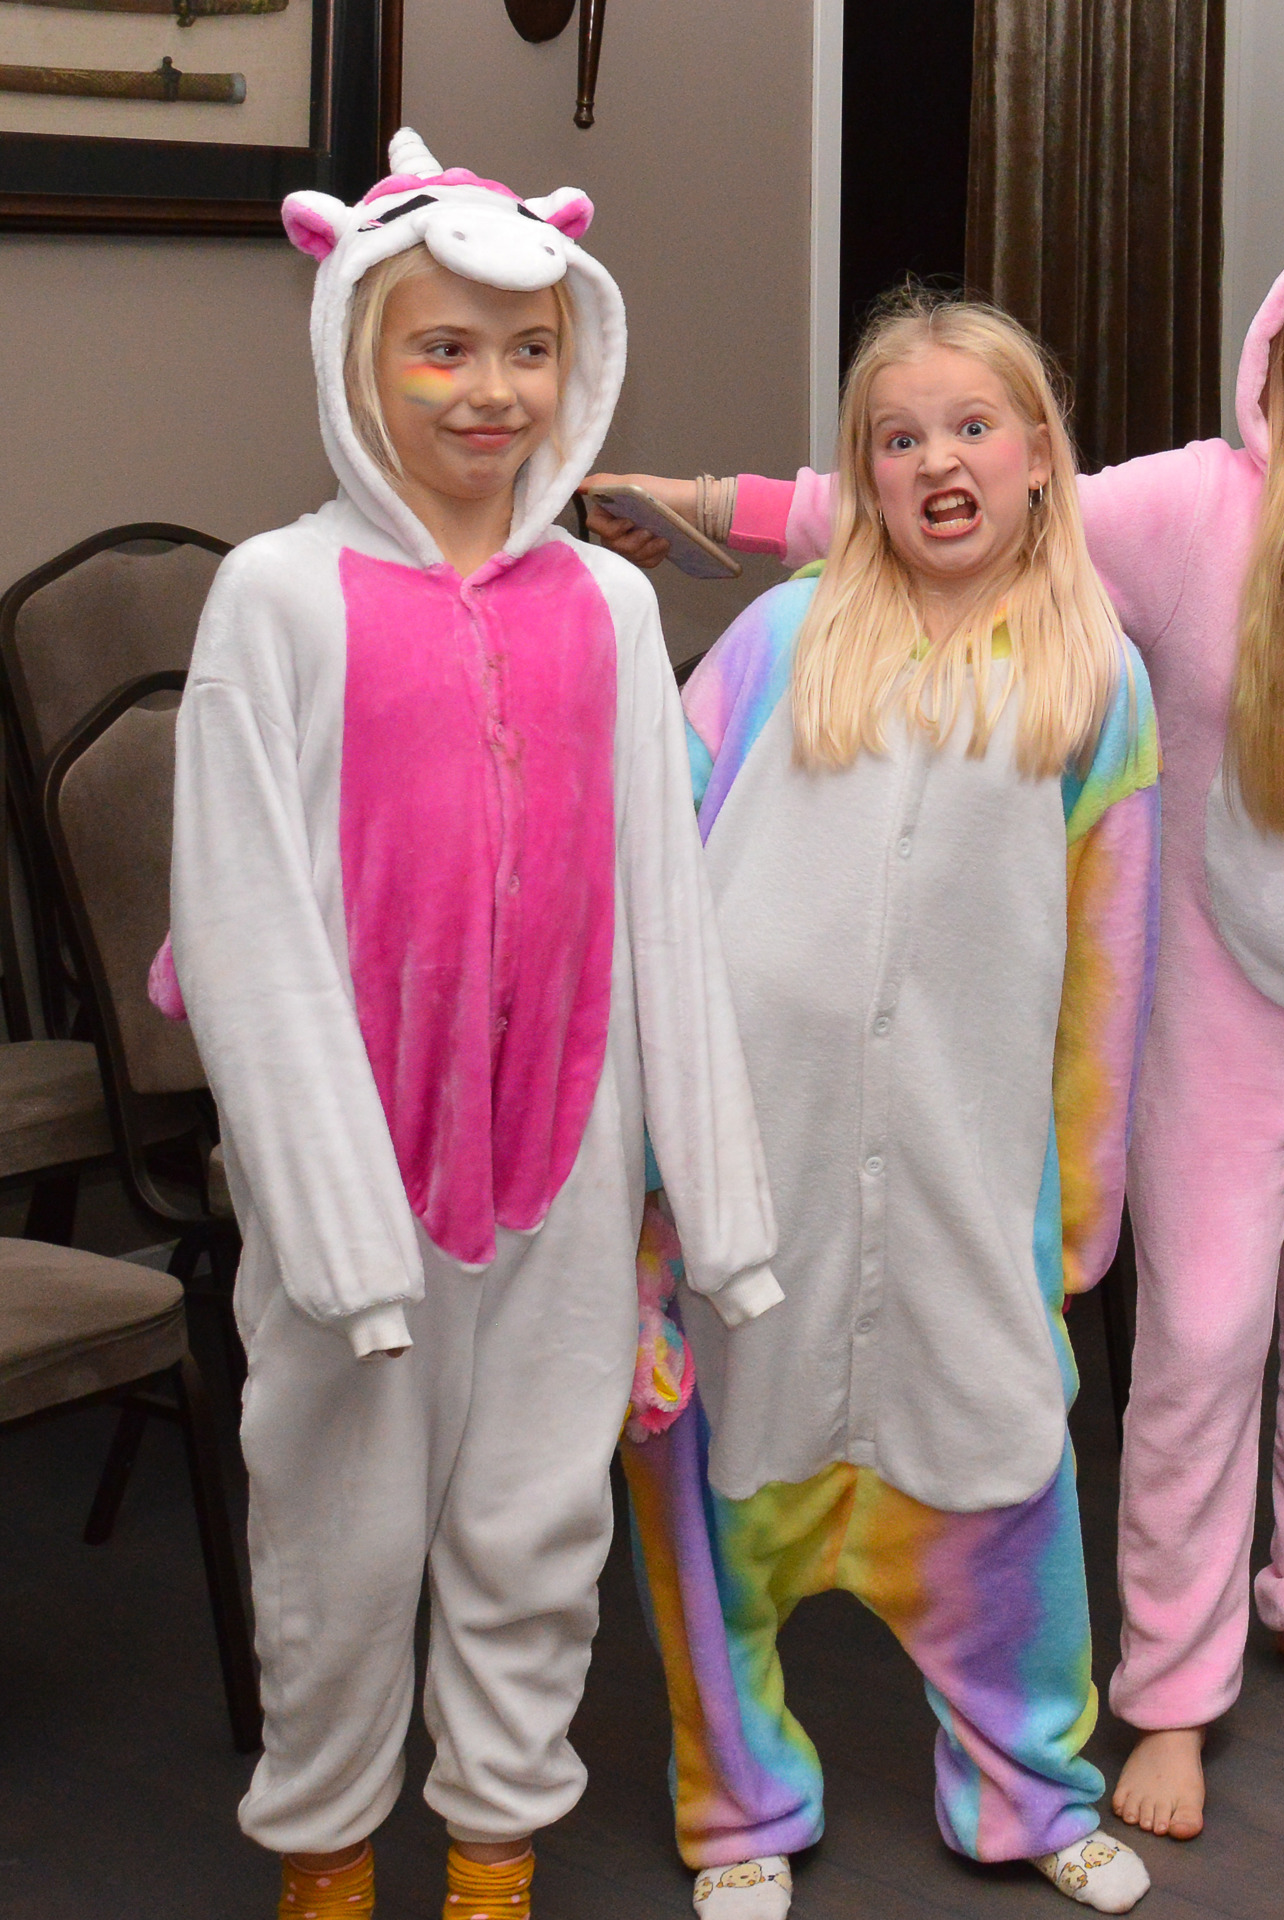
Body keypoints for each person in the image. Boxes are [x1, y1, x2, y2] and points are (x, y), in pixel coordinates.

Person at [584, 152, 1284, 1841]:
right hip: (1211, 1011)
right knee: (1202, 1342)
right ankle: (1173, 1687)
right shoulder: (1192, 512)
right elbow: (944, 489)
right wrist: (706, 502)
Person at [164, 130, 780, 1920]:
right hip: (352, 1167)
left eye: (528, 350)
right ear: (360, 355)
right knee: (339, 1542)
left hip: (566, 1162)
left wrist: (719, 1206)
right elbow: (245, 921)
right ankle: (331, 1861)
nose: (492, 390)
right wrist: (333, 1228)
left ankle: (495, 1859)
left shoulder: (612, 603)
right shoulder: (275, 598)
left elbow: (664, 903)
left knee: (536, 1525)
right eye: (444, 348)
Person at [616, 290, 1159, 1918]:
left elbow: (1110, 968)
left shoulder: (1094, 680)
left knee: (1003, 1479)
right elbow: (655, 867)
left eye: (973, 427)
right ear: (862, 474)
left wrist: (1080, 1213)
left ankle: (1029, 1789)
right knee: (722, 1500)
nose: (938, 461)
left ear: (1042, 456)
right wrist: (641, 1166)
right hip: (750, 1169)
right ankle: (739, 1807)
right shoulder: (782, 641)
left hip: (961, 1176)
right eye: (898, 438)